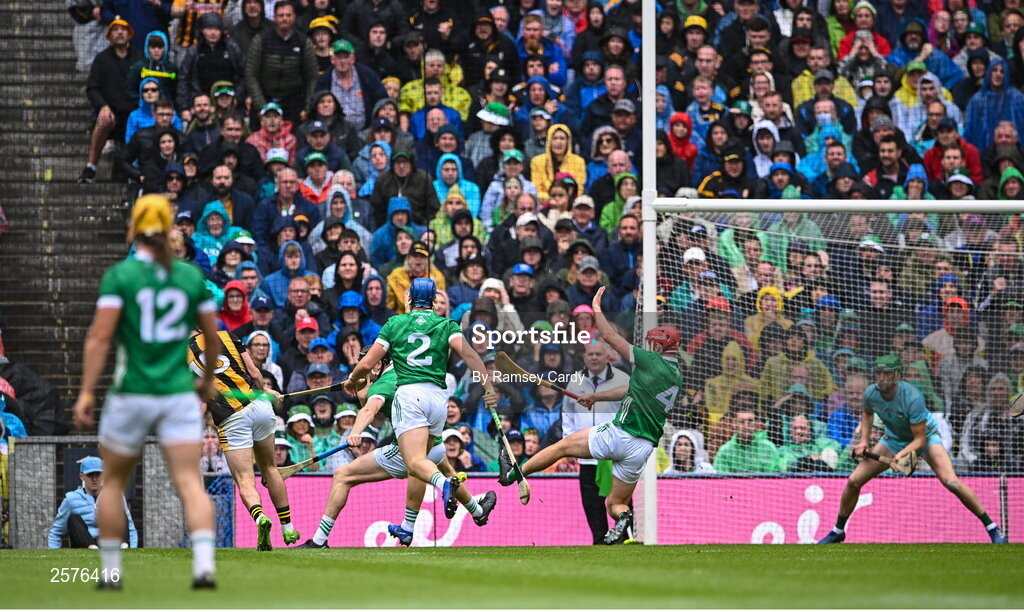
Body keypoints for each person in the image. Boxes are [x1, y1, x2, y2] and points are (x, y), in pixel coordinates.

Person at [72, 195, 221, 589]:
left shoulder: (120, 276)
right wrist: (205, 381)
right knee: (190, 481)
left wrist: (86, 392)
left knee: (114, 483)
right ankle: (204, 568)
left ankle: (110, 572)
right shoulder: (190, 277)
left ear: (135, 227)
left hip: (130, 393)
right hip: (176, 393)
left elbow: (100, 337)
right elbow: (211, 337)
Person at [507, 287, 683, 545]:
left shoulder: (650, 360)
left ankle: (515, 474)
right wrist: (595, 397)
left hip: (620, 433)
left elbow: (610, 336)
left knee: (562, 447)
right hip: (642, 449)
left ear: (659, 344)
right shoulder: (676, 375)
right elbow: (629, 390)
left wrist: (597, 308)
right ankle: (624, 518)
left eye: (652, 342)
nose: (649, 345)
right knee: (616, 502)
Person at [298, 348, 497, 548]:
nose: (360, 370)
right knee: (442, 468)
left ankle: (318, 540)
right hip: (434, 443)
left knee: (342, 475)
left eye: (363, 365)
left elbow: (370, 411)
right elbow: (377, 419)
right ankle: (477, 512)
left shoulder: (383, 384)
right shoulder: (405, 371)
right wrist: (362, 395)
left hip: (405, 449)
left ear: (377, 364)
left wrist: (355, 431)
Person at [343, 278, 498, 523]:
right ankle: (466, 513)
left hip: (410, 395)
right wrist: (488, 386)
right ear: (434, 300)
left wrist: (353, 379)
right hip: (439, 398)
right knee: (428, 458)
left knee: (415, 463)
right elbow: (469, 354)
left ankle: (443, 484)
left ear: (409, 299)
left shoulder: (395, 323)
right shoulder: (447, 324)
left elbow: (366, 364)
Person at [818, 355, 1008, 544]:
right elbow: (867, 414)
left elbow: (919, 439)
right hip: (893, 439)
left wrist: (899, 456)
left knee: (951, 482)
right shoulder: (871, 393)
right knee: (853, 481)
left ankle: (992, 528)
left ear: (896, 375)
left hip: (926, 438)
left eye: (886, 373)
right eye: (878, 373)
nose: (881, 378)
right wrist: (864, 441)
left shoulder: (912, 398)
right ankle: (838, 531)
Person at [185, 328, 298, 551]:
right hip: (260, 407)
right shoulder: (227, 335)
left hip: (231, 417)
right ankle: (288, 528)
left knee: (245, 478)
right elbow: (255, 373)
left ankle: (260, 518)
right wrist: (267, 391)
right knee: (270, 468)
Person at [48, 456, 137, 549]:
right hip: (83, 547)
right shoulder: (71, 499)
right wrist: (53, 553)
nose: (94, 479)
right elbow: (56, 531)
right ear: (81, 476)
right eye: (90, 475)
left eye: (98, 474)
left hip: (109, 543)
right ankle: (91, 547)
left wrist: (133, 549)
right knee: (73, 518)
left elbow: (130, 527)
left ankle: (124, 547)